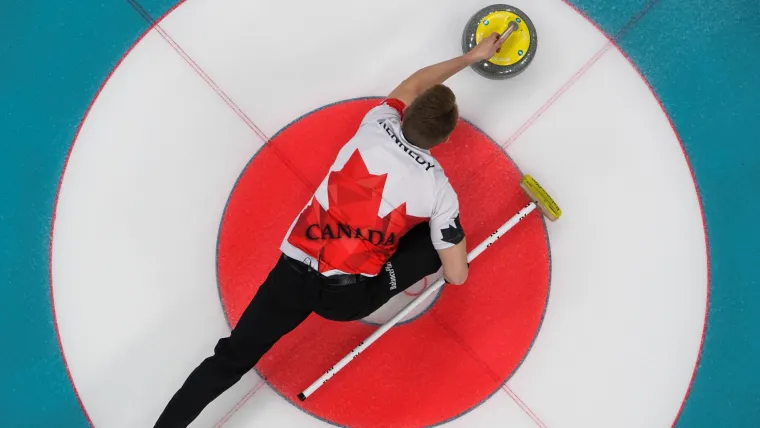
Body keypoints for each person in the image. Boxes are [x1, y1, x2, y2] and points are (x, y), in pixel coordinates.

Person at [153, 33, 504, 427]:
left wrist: (471, 56)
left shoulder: (377, 123)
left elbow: (416, 82)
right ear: (446, 138)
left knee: (229, 358)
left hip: (290, 277)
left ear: (406, 113)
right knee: (433, 243)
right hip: (345, 299)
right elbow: (456, 275)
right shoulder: (438, 188)